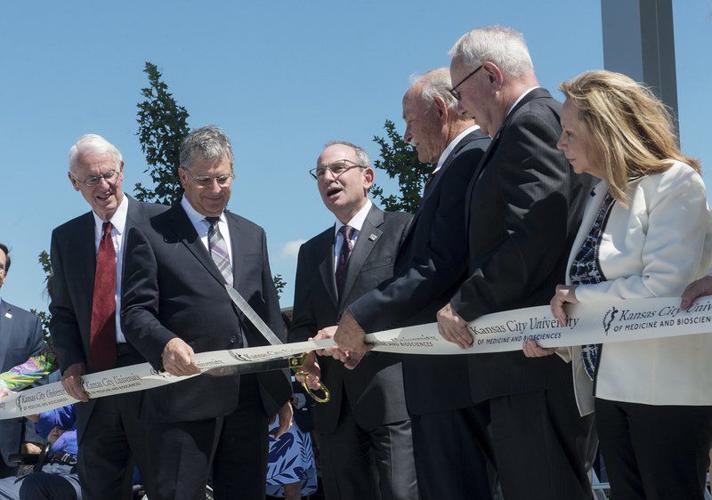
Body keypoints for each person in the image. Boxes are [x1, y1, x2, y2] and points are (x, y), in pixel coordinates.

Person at [525, 70, 712, 500]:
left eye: (569, 132)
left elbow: (663, 289)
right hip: (610, 391)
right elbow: (600, 305)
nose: (560, 144)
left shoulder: (675, 182)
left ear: (606, 129)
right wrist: (561, 338)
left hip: (668, 392)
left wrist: (578, 300)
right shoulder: (602, 193)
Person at [430, 27, 595, 500]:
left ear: (492, 75)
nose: (460, 107)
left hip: (534, 359)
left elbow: (536, 232)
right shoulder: (531, 124)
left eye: (460, 92)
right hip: (524, 356)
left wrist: (465, 302)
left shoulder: (533, 121)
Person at [332, 69, 492, 499]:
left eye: (409, 120)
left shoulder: (468, 159)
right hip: (440, 379)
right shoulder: (451, 166)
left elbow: (438, 266)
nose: (405, 136)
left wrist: (359, 316)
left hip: (452, 377)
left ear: (440, 110)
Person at [121, 125, 292, 500]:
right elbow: (134, 312)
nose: (216, 190)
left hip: (247, 400)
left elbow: (268, 316)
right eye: (203, 180)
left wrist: (281, 389)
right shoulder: (149, 233)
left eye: (223, 178)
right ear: (183, 176)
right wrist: (165, 344)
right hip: (182, 400)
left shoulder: (253, 234)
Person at [289, 141, 416, 499]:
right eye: (320, 172)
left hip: (390, 397)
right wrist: (305, 358)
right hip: (334, 409)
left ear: (368, 176)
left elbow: (410, 301)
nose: (328, 177)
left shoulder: (402, 229)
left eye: (338, 167)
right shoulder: (310, 252)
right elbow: (301, 323)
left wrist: (356, 331)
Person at [49, 134, 165, 499]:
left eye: (109, 174)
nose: (104, 185)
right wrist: (70, 363)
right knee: (100, 488)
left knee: (170, 486)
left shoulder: (164, 223)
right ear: (73, 184)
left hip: (154, 376)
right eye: (91, 179)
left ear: (123, 171)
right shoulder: (65, 238)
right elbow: (63, 313)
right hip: (95, 386)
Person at [0, 244, 52, 479]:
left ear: (4, 276)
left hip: (5, 446)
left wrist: (33, 436)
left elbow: (38, 382)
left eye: (0, 267)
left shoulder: (27, 323)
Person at [0, 405, 81, 500]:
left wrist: (65, 438)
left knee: (34, 485)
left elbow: (97, 440)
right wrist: (19, 405)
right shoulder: (82, 396)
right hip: (50, 466)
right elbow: (58, 417)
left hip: (83, 473)